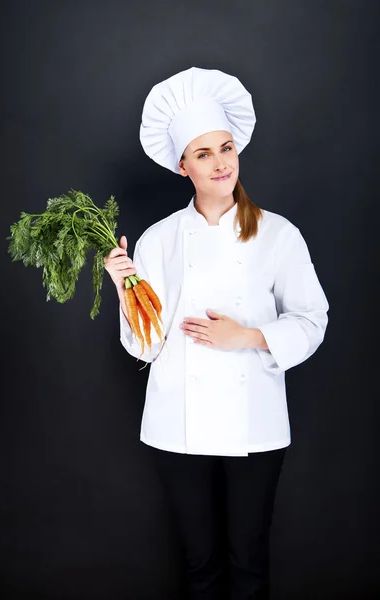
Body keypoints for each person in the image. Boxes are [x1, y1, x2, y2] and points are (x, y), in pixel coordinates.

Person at [104, 67, 329, 600]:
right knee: (199, 563)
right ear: (182, 166)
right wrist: (124, 290)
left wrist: (247, 337)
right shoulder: (158, 240)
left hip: (254, 421)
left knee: (248, 561)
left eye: (225, 148)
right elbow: (146, 345)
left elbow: (311, 320)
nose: (220, 162)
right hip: (178, 422)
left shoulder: (278, 234)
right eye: (203, 153)